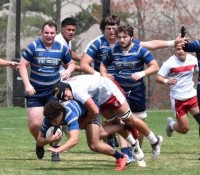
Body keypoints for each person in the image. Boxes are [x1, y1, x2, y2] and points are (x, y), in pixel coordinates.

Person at [80, 14, 185, 160]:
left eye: (115, 29)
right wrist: (101, 76)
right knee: (121, 121)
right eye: (109, 29)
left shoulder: (137, 47)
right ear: (104, 30)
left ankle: (140, 147)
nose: (114, 33)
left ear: (128, 36)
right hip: (114, 89)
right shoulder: (99, 44)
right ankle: (128, 151)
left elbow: (152, 48)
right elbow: (88, 64)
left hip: (136, 91)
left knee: (138, 120)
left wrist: (172, 42)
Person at [62, 74, 163, 165]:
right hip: (99, 97)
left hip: (110, 92)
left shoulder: (77, 91)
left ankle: (155, 140)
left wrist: (83, 123)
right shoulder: (63, 85)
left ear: (67, 87)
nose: (67, 98)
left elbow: (95, 111)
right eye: (63, 97)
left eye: (66, 94)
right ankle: (134, 145)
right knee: (116, 123)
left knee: (129, 119)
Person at [19, 20, 75, 161]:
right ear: (41, 33)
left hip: (53, 91)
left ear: (56, 33)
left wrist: (68, 70)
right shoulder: (34, 46)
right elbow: (22, 65)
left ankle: (55, 149)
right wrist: (27, 85)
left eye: (52, 33)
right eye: (46, 33)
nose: (49, 35)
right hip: (35, 91)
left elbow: (71, 63)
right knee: (35, 124)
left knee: (55, 121)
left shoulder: (61, 48)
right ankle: (40, 142)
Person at [37, 98, 131, 170]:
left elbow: (74, 140)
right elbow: (39, 141)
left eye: (54, 121)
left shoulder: (70, 114)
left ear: (61, 114)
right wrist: (49, 140)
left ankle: (121, 157)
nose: (52, 123)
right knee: (100, 134)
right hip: (80, 115)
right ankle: (125, 126)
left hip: (90, 113)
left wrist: (58, 149)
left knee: (94, 145)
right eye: (51, 121)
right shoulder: (49, 118)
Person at [156, 43, 200, 137]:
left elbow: (197, 69)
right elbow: (158, 78)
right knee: (184, 129)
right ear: (175, 50)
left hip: (192, 97)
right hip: (178, 100)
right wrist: (167, 81)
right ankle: (171, 125)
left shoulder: (193, 60)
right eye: (178, 49)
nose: (181, 51)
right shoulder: (169, 63)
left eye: (183, 49)